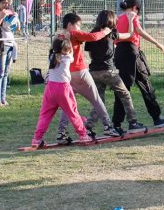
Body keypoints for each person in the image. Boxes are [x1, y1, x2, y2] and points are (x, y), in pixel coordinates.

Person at [56, 13, 120, 141]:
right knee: (96, 100)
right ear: (70, 25)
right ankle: (108, 127)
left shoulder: (58, 37)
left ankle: (61, 132)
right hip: (80, 73)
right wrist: (106, 31)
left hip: (66, 75)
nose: (80, 28)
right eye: (78, 25)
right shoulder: (74, 34)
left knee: (67, 105)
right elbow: (93, 37)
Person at [84, 10, 146, 134]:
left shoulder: (92, 34)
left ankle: (88, 127)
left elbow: (90, 54)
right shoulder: (111, 33)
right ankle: (133, 122)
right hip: (109, 71)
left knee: (99, 101)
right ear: (111, 21)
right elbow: (130, 35)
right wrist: (130, 20)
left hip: (94, 72)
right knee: (125, 95)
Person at [114, 0, 164, 128]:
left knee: (122, 89)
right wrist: (157, 43)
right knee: (145, 85)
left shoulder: (118, 18)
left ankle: (117, 123)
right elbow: (138, 31)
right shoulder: (132, 16)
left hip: (120, 53)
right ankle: (157, 118)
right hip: (132, 52)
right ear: (135, 8)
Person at [30, 38, 92, 148]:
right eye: (67, 49)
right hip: (63, 88)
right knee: (73, 112)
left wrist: (59, 41)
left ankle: (37, 139)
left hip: (50, 88)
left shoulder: (51, 57)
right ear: (65, 49)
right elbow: (72, 55)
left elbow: (54, 50)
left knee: (45, 115)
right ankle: (83, 135)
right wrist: (70, 41)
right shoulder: (67, 58)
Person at [0, 0, 19, 106]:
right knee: (0, 73)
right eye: (4, 3)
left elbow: (16, 29)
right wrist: (1, 18)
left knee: (6, 73)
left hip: (10, 44)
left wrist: (16, 19)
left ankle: (3, 98)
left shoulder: (8, 12)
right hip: (0, 46)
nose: (6, 5)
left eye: (7, 3)